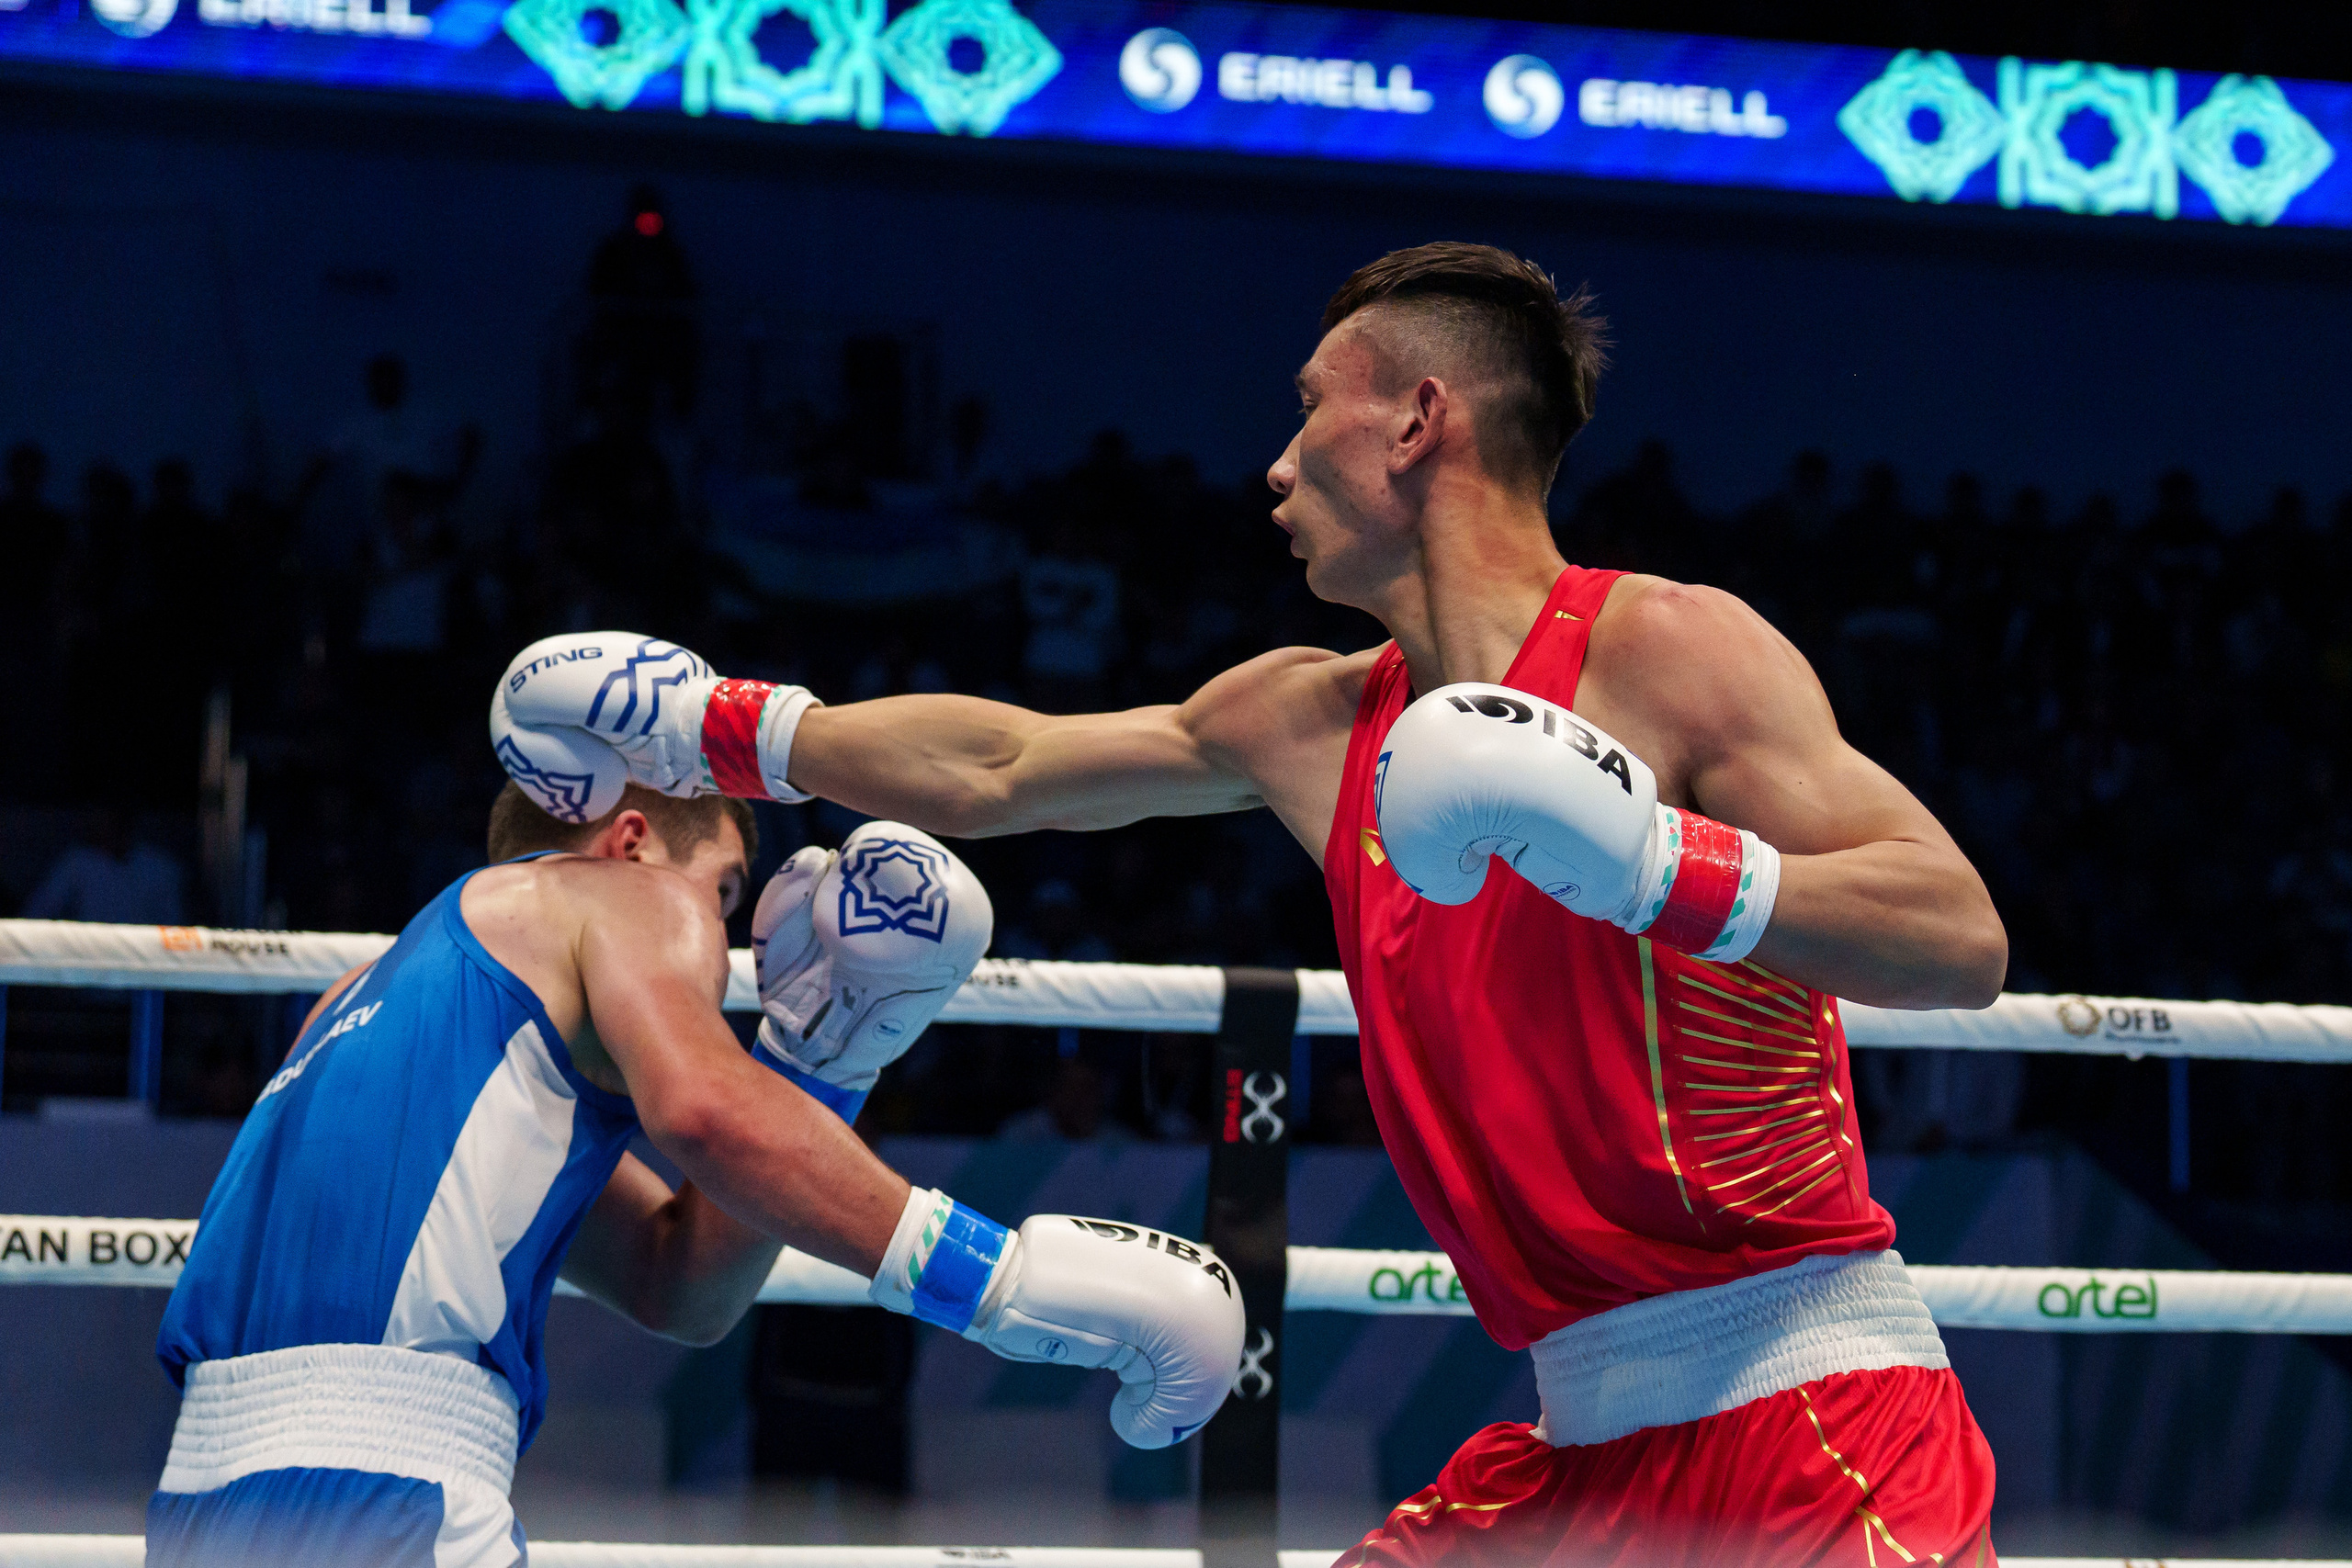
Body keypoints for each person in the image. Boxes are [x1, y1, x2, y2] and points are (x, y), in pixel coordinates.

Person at [493, 242, 2009, 1563]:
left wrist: (1648, 863)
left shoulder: (1673, 648)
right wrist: (708, 724)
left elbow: (1955, 933)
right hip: (1573, 1440)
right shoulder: (1308, 718)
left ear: (1419, 419)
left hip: (1812, 1413)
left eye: (1309, 405)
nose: (1274, 464)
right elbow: (1003, 760)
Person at [148, 781, 1243, 1566]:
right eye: (724, 894)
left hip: (202, 1501)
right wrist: (997, 1282)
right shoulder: (620, 895)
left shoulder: (371, 1001)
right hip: (383, 1495)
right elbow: (706, 1109)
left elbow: (681, 1284)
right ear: (629, 842)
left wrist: (819, 1063)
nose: (719, 943)